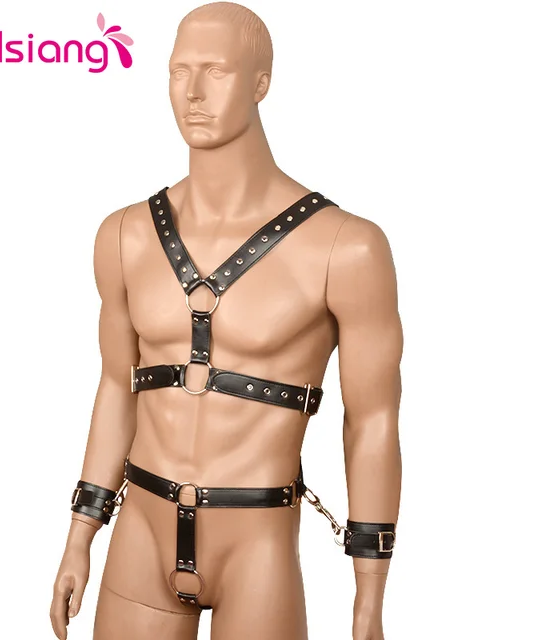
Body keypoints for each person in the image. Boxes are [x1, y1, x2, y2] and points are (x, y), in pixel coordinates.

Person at [50, 3, 402, 639]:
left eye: (215, 70)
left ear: (261, 82)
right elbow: (116, 387)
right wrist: (81, 532)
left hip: (257, 549)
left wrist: (369, 595)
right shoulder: (125, 236)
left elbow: (372, 421)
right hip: (141, 535)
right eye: (178, 71)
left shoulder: (345, 248)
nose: (192, 92)